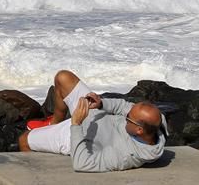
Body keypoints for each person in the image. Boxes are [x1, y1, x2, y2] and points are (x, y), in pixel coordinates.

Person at [19, 70, 167, 173]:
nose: (125, 116)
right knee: (63, 77)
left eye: (128, 118)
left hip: (78, 135)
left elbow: (83, 164)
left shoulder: (125, 155)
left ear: (139, 130)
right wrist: (101, 104)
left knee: (24, 139)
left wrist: (76, 124)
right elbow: (125, 107)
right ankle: (54, 123)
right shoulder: (156, 120)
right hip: (93, 113)